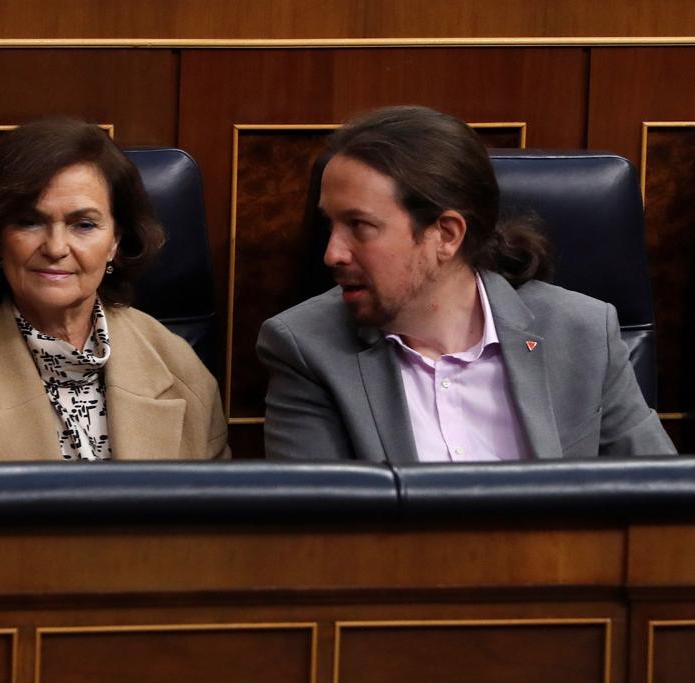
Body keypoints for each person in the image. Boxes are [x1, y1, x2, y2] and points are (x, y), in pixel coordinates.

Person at [256, 105, 675, 462]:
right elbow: (316, 540)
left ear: (447, 234)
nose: (332, 253)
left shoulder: (581, 333)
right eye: (330, 224)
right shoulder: (305, 348)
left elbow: (663, 506)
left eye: (359, 226)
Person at [0, 118, 229, 463]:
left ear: (115, 242)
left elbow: (217, 513)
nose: (55, 247)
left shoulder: (180, 369)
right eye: (29, 221)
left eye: (84, 225)